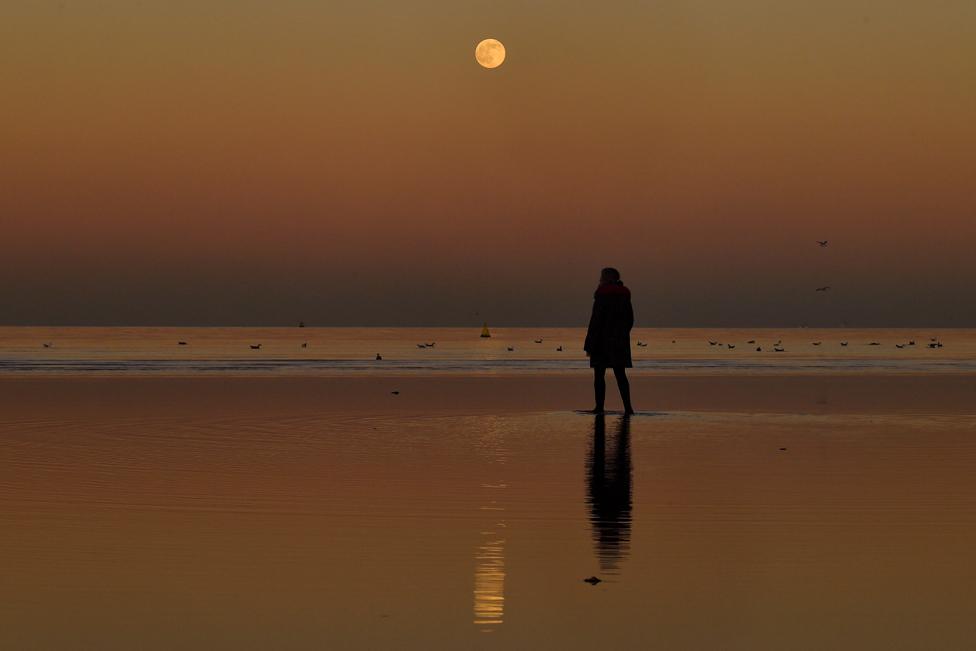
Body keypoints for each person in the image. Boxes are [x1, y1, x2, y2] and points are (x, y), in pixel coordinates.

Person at [584, 267, 634, 414]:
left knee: (599, 374)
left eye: (601, 277)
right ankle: (628, 407)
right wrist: (622, 335)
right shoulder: (625, 295)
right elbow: (630, 319)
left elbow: (596, 321)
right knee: (620, 374)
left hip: (601, 340)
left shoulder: (602, 294)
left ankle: (599, 407)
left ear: (605, 278)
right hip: (619, 341)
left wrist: (589, 344)